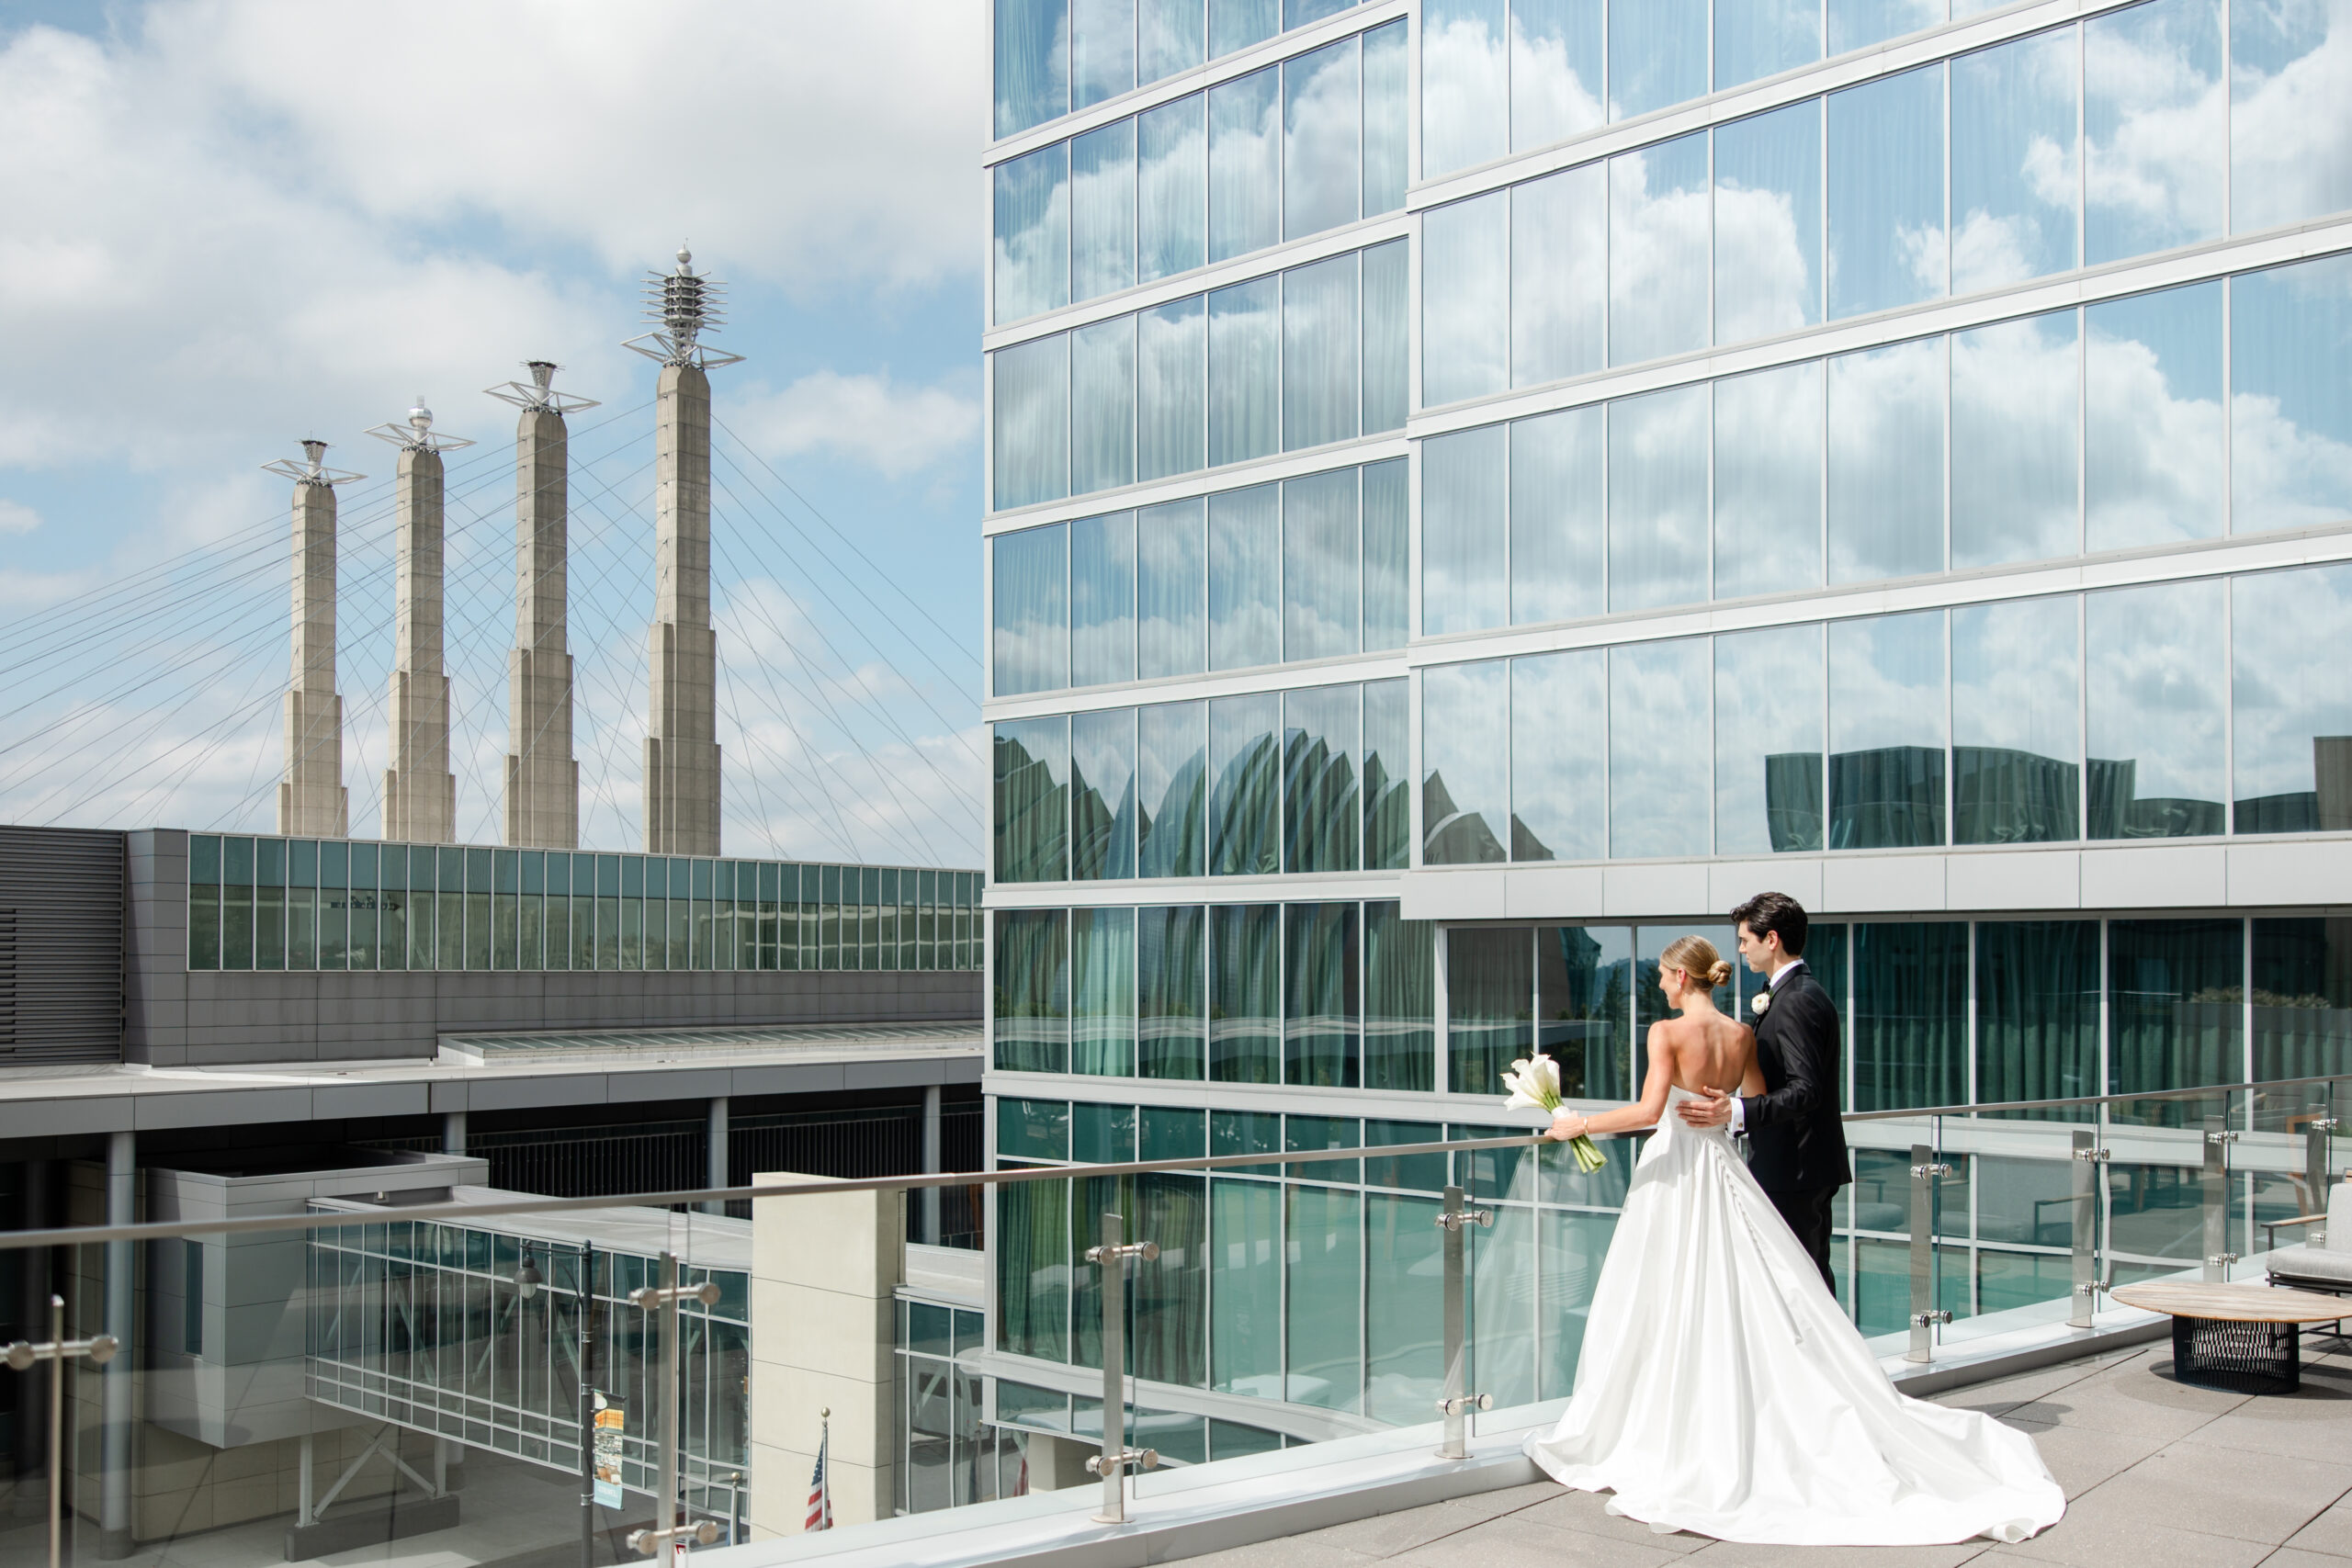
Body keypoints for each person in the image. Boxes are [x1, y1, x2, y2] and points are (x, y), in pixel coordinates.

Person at [1523, 931, 2063, 1545]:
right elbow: (1755, 1097)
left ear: (1680, 975)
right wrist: (1723, 1104)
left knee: (1662, 1290)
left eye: (1665, 974)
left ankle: (1664, 1419)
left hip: (1676, 1168)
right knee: (1736, 1287)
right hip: (1723, 1165)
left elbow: (1650, 1111)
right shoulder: (1740, 1034)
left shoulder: (1664, 1031)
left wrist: (1576, 1123)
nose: (1660, 983)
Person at [1675, 891, 1847, 1290]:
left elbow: (1806, 1091)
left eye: (1744, 940)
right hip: (1802, 1166)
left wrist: (1736, 1111)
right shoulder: (1795, 993)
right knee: (1805, 1280)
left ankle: (1826, 1355)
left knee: (1802, 1286)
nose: (1740, 950)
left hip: (1795, 1168)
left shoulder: (1796, 1001)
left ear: (1772, 940)